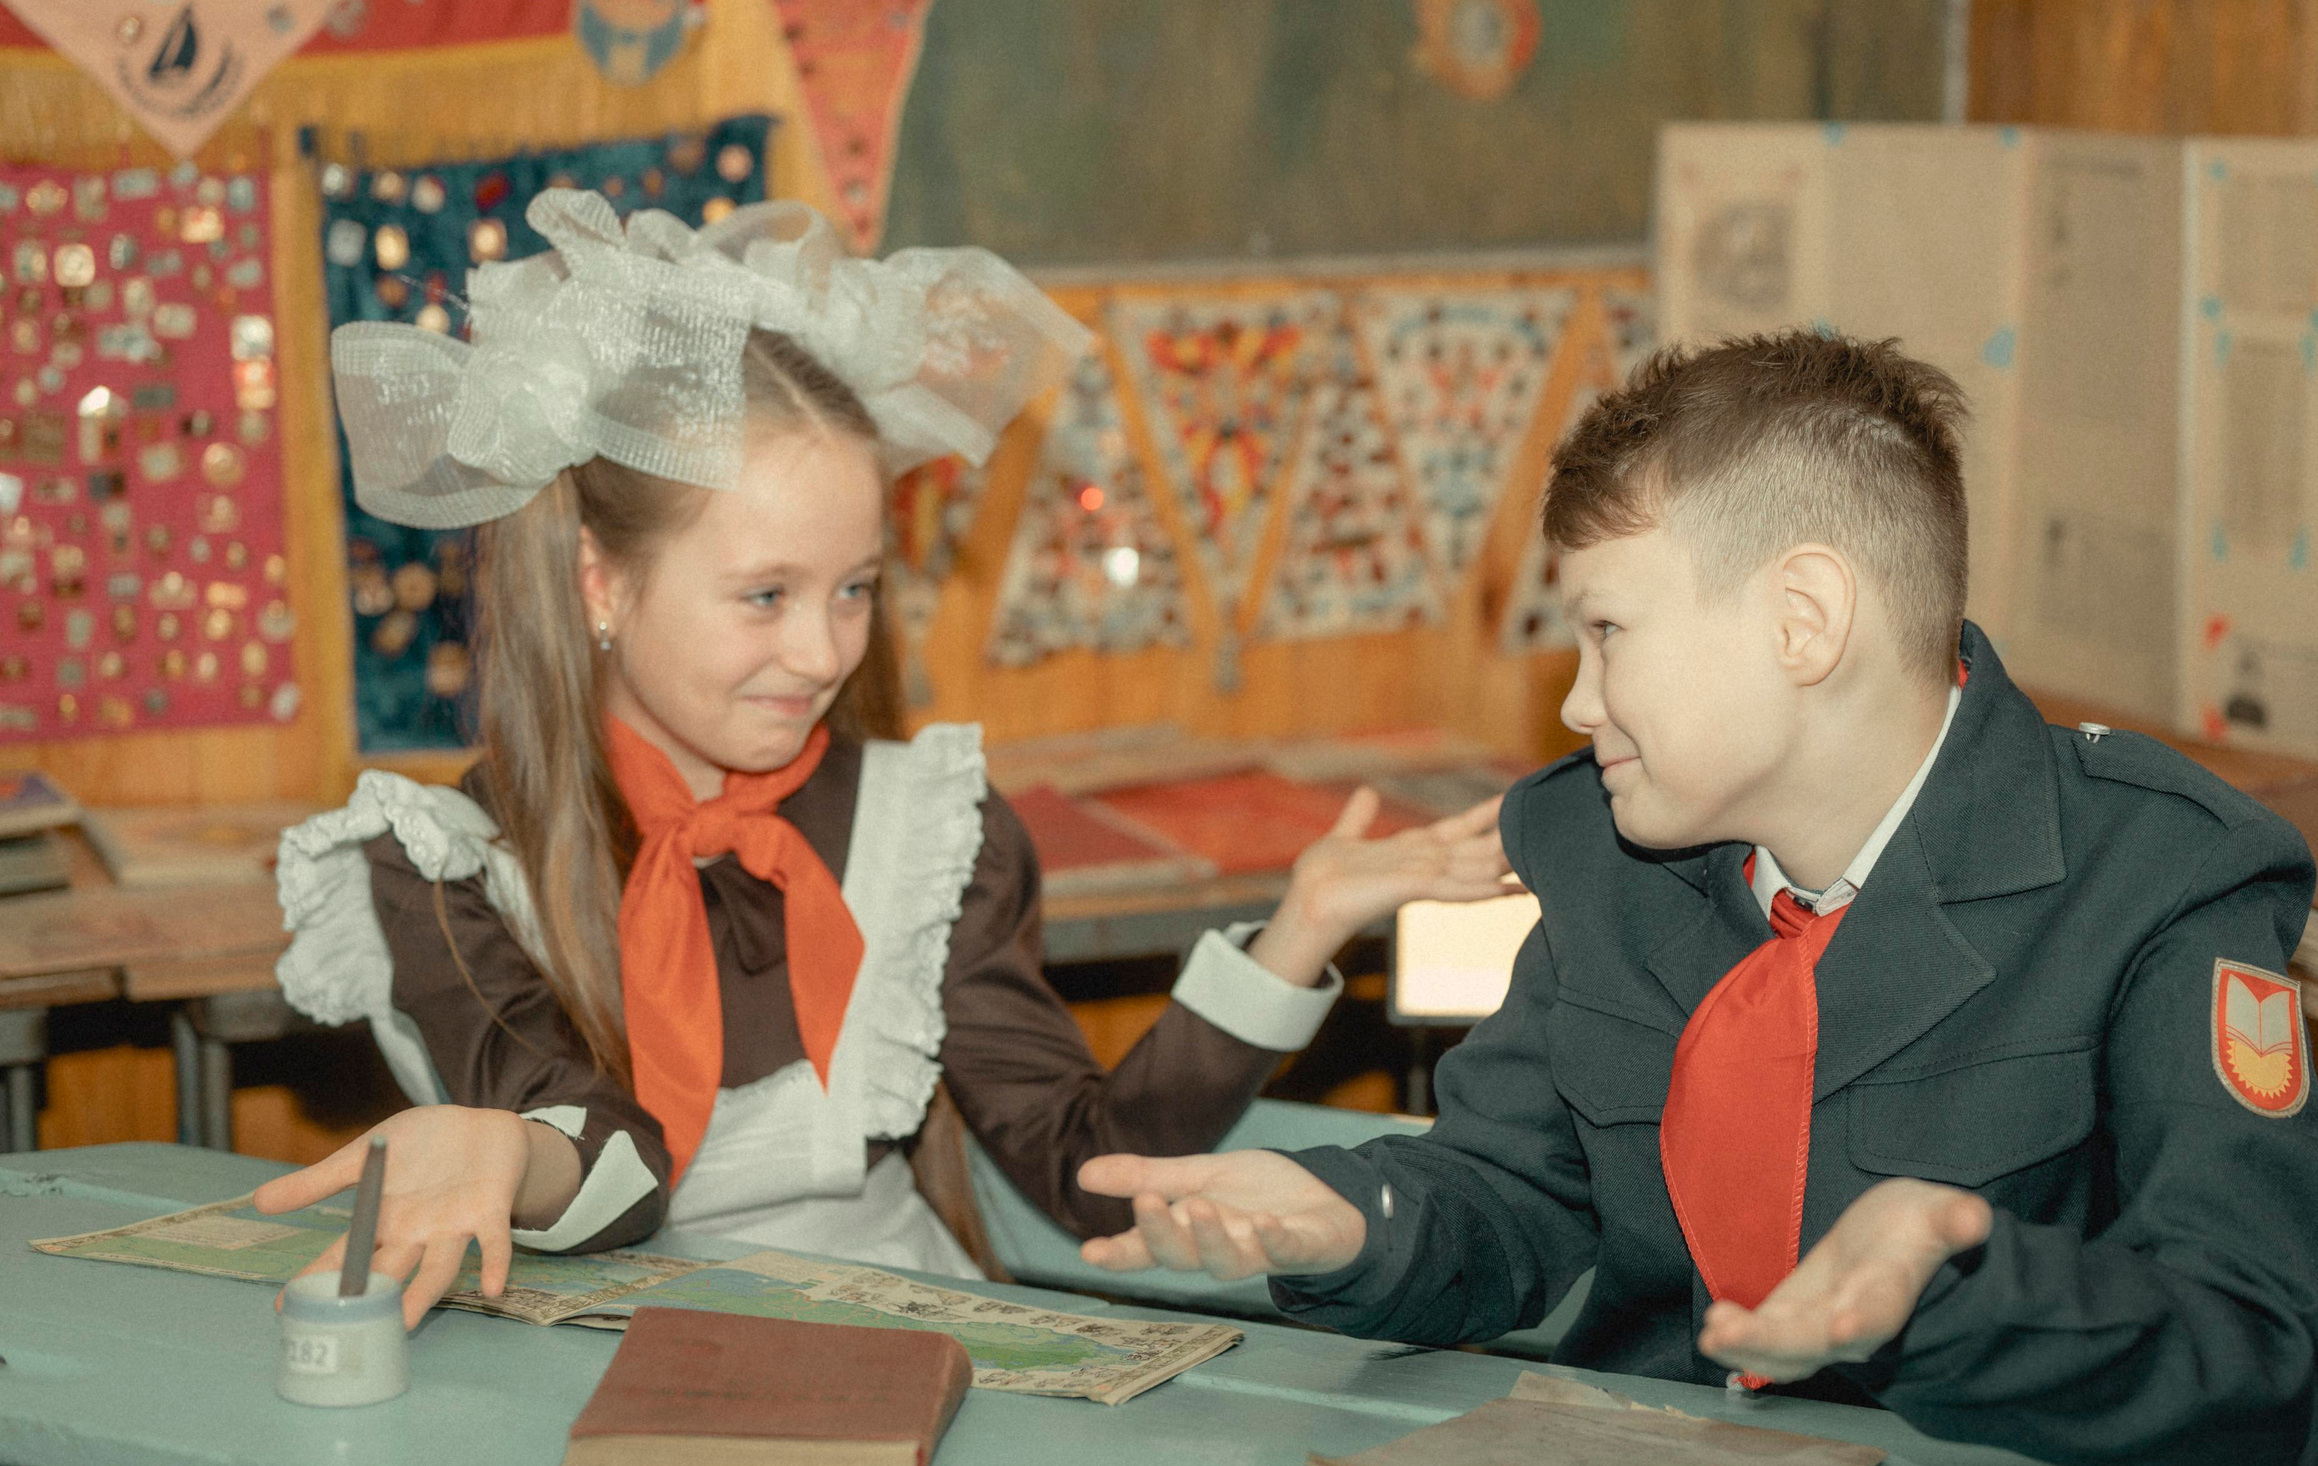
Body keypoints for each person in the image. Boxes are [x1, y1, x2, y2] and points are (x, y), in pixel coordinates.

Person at [1076, 331, 2318, 1466]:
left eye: (1608, 631)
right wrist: (1354, 1223)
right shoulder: (1604, 854)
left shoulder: (2152, 875)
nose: (1577, 707)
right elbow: (1514, 1196)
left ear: (1802, 622)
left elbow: (2264, 1367)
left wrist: (1959, 1296)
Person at [254, 190, 1510, 1326]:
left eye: (854, 588)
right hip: (599, 1358)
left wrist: (1299, 927)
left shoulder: (926, 834)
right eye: (763, 595)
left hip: (907, 1339)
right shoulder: (438, 865)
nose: (819, 652)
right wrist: (497, 1150)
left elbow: (1087, 1177)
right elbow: (613, 1169)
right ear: (600, 582)